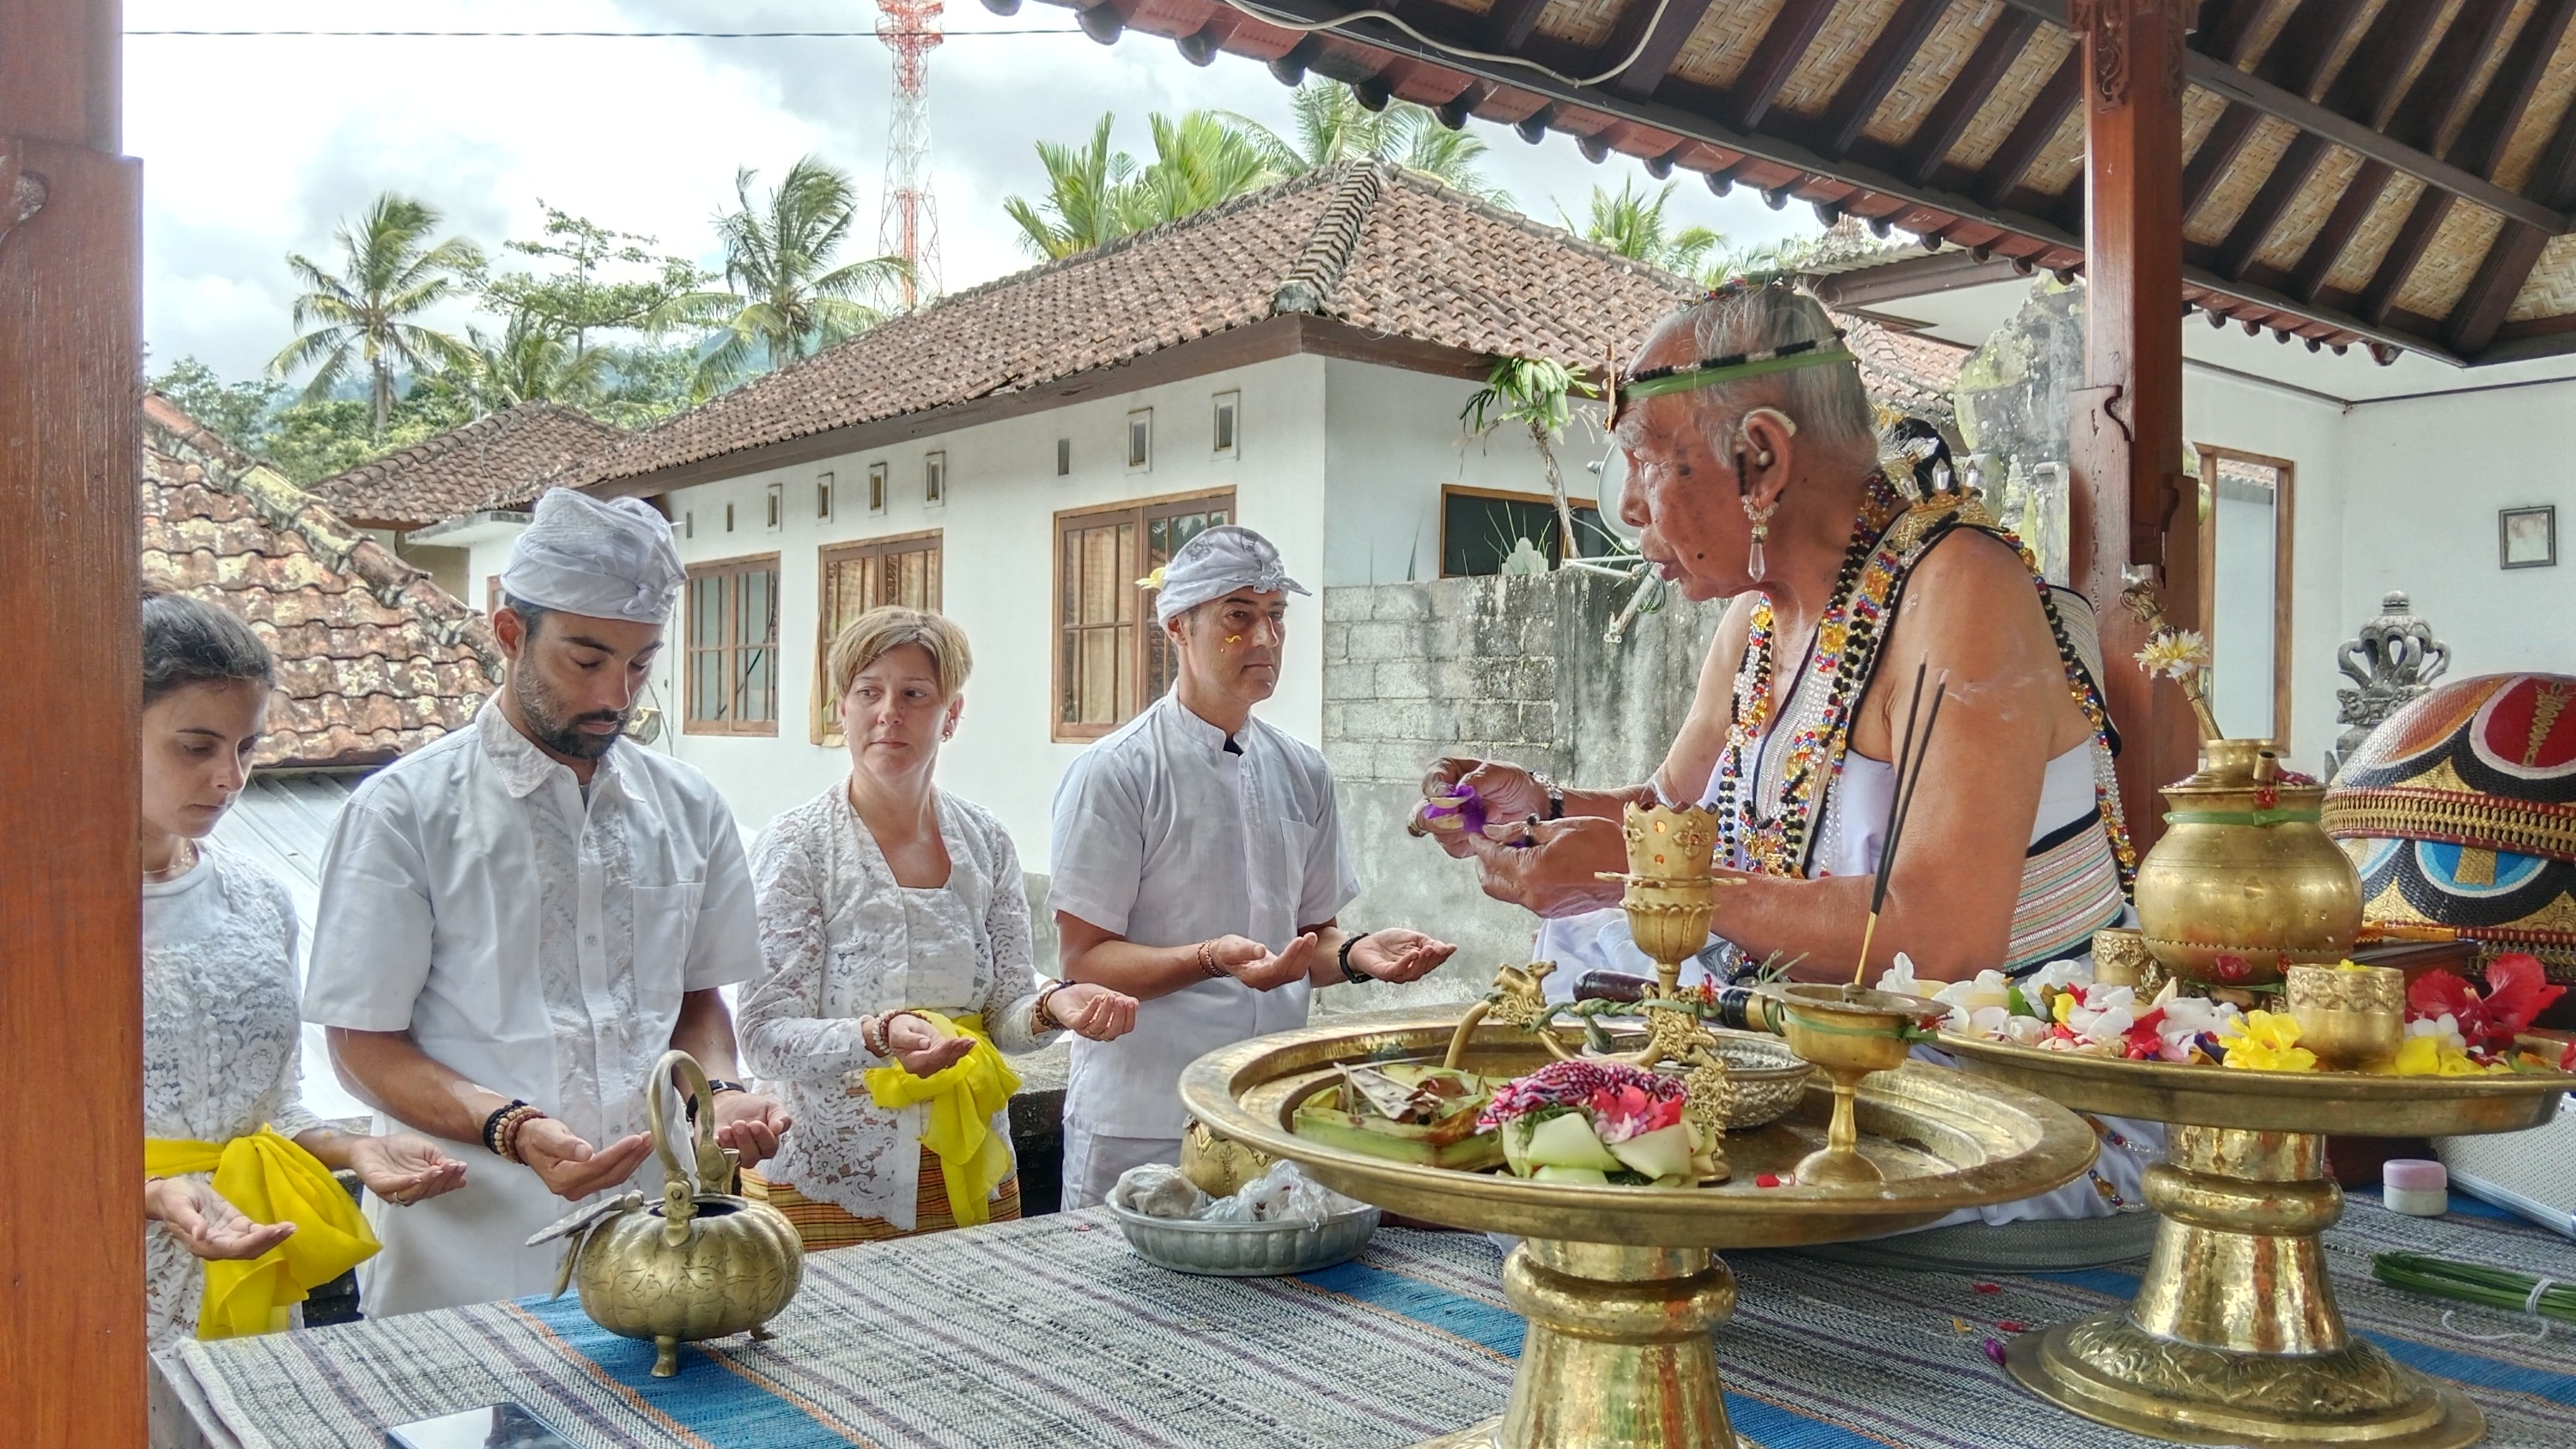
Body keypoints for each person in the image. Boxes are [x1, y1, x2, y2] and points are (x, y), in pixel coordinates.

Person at [1418, 285, 2152, 1231]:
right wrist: (1536, 808)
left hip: (1987, 1080)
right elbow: (1663, 813)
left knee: (1608, 1152)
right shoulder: (1758, 618)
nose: (1630, 506)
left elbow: (1940, 937)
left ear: (1759, 459)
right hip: (1807, 1047)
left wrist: (1638, 876)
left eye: (1643, 460)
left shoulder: (1961, 589)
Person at [302, 489, 791, 1315]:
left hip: (658, 1231)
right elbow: (360, 1043)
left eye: (640, 664)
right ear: (508, 635)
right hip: (466, 1235)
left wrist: (719, 1094)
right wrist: (514, 1129)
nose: (616, 693)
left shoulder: (691, 807)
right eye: (586, 659)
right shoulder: (404, 812)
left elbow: (697, 1000)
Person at [1048, 524, 1459, 1209]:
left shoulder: (1303, 771)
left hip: (1269, 1109)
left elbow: (1311, 941)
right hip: (1144, 1116)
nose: (1265, 638)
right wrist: (1210, 958)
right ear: (1178, 627)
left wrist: (1359, 954)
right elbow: (1085, 962)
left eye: (1276, 616)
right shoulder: (1117, 772)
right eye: (1238, 616)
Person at [740, 608, 1139, 1246]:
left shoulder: (984, 841)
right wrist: (880, 1035)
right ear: (841, 709)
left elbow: (1007, 1013)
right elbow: (763, 1036)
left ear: (951, 715)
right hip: (827, 1176)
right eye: (868, 692)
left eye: (914, 694)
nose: (888, 712)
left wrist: (1056, 1005)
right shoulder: (798, 847)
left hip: (971, 1167)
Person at [138, 587, 465, 1345]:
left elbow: (271, 1110)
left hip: (247, 1254)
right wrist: (149, 1192)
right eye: (197, 747)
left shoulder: (258, 899)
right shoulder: (35, 915)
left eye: (246, 748)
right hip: (73, 1275)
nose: (231, 778)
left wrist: (357, 1147)